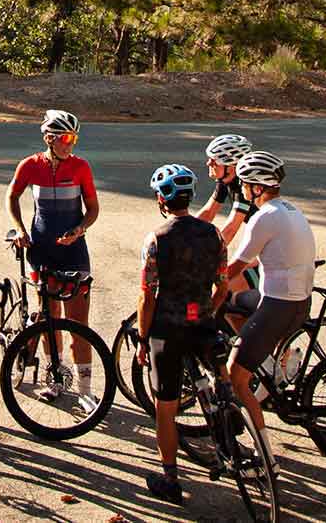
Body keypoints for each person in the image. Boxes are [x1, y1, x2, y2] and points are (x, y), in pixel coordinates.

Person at [136, 164, 229, 504]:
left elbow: (147, 295)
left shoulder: (156, 239)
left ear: (162, 199)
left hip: (168, 328)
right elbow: (222, 285)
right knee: (223, 379)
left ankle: (170, 477)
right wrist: (210, 311)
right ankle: (232, 434)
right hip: (203, 322)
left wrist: (143, 339)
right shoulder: (213, 234)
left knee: (166, 406)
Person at [223, 151, 317, 477]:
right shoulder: (289, 210)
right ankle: (272, 365)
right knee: (237, 301)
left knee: (235, 375)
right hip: (295, 302)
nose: (243, 191)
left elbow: (234, 266)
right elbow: (251, 262)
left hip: (277, 305)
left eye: (245, 185)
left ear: (256, 188)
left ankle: (265, 458)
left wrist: (207, 284)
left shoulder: (263, 217)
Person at [5, 109, 100, 410]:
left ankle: (85, 390)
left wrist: (80, 229)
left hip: (74, 251)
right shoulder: (30, 166)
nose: (71, 144)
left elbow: (94, 208)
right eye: (66, 138)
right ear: (49, 138)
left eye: (74, 138)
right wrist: (20, 230)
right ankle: (56, 380)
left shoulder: (81, 167)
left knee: (78, 323)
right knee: (49, 320)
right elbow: (11, 197)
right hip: (42, 250)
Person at [196, 133, 260, 295]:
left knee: (222, 292)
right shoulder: (226, 180)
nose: (208, 162)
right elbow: (208, 212)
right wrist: (180, 231)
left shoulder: (245, 187)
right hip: (262, 248)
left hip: (276, 256)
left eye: (214, 160)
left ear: (231, 167)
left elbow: (231, 228)